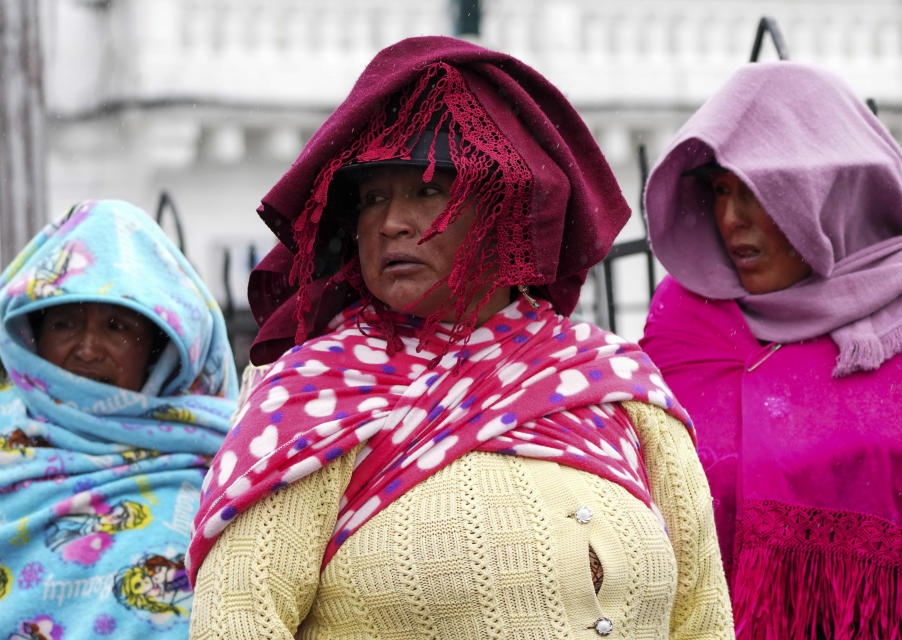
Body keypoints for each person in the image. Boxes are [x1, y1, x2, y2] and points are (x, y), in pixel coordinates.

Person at [187, 36, 734, 639]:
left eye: (428, 190)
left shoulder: (619, 390)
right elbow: (237, 619)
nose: (392, 222)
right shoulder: (311, 402)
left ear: (502, 212)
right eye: (372, 200)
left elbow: (702, 618)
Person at [640, 60, 902, 639]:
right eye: (719, 190)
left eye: (759, 193)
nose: (731, 220)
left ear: (829, 191)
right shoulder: (687, 317)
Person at [0, 200, 238, 638]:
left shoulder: (221, 468)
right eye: (65, 324)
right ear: (32, 337)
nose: (88, 348)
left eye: (115, 326)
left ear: (157, 347)